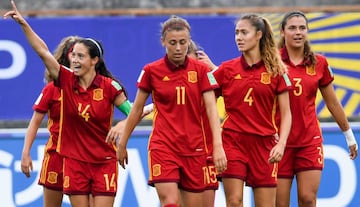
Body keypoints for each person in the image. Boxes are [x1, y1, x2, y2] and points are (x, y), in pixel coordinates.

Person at [5, 2, 131, 207]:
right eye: (73, 55)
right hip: (72, 161)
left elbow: (133, 111)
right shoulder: (64, 81)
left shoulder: (110, 87)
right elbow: (43, 52)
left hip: (104, 160)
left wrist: (123, 125)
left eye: (80, 56)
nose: (74, 60)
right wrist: (24, 25)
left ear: (94, 60)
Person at [116, 15, 227, 207]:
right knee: (170, 202)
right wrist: (123, 143)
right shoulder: (151, 71)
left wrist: (217, 146)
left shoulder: (201, 71)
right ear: (163, 42)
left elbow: (211, 110)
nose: (178, 48)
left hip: (195, 149)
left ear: (188, 41)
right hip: (163, 146)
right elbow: (136, 110)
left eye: (183, 43)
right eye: (172, 43)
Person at [276, 10, 358, 207]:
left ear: (307, 31)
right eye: (292, 28)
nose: (298, 32)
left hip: (309, 141)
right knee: (279, 203)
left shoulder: (319, 63)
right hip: (279, 143)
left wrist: (349, 136)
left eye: (302, 28)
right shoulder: (272, 61)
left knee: (307, 199)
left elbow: (333, 103)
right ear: (282, 32)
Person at [212, 14, 292, 207]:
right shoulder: (226, 69)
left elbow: (287, 113)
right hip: (233, 142)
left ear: (258, 35)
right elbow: (203, 101)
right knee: (234, 201)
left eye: (244, 32)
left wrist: (281, 144)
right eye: (236, 33)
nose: (239, 37)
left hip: (264, 146)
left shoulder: (276, 71)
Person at [21, 36, 80, 207]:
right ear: (67, 57)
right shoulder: (52, 89)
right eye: (75, 55)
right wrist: (26, 152)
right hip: (56, 156)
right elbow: (35, 122)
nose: (78, 59)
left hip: (82, 157)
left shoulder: (93, 87)